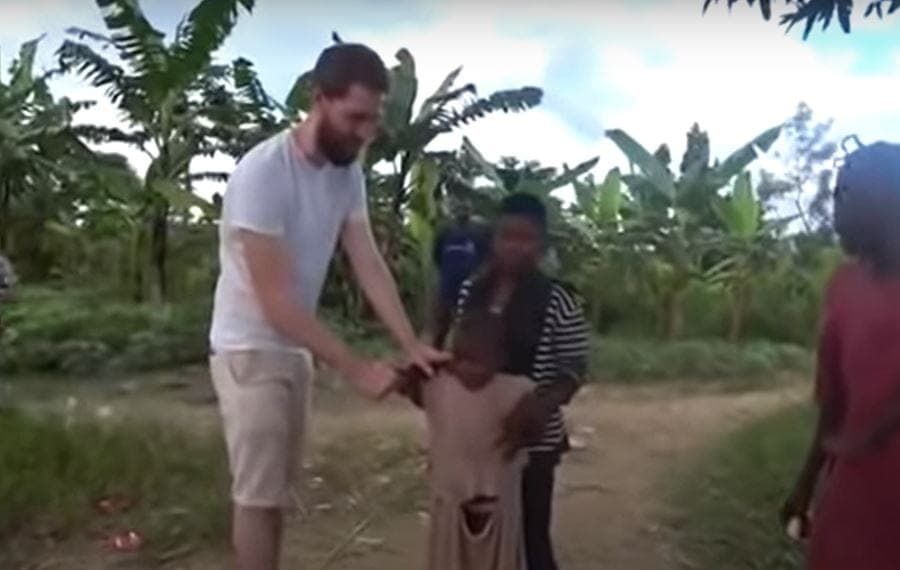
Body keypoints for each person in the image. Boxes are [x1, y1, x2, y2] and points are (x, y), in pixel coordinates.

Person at [208, 43, 447, 570]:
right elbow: (275, 301)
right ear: (319, 100)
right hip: (249, 349)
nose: (366, 132)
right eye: (354, 118)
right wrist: (357, 369)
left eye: (373, 119)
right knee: (256, 497)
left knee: (276, 494)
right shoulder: (264, 173)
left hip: (294, 351)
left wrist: (410, 344)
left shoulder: (346, 172)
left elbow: (368, 262)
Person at [433, 193, 590, 570]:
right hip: (477, 441)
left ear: (542, 244)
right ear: (493, 238)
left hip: (533, 443)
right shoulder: (471, 290)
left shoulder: (558, 300)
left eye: (527, 238)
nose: (516, 247)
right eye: (507, 236)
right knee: (477, 537)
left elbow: (573, 369)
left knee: (530, 538)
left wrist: (540, 406)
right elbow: (461, 351)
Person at [780, 141, 900, 570]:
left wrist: (878, 430)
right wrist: (805, 484)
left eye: (845, 195)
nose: (835, 214)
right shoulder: (844, 286)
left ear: (888, 199)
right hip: (853, 498)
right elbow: (835, 403)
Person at [401, 311, 535, 570]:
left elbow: (538, 421)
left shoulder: (520, 394)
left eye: (479, 361)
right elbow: (405, 378)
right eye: (463, 360)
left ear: (501, 359)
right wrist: (421, 358)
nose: (470, 369)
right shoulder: (435, 385)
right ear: (449, 356)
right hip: (450, 505)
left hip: (497, 507)